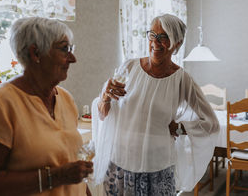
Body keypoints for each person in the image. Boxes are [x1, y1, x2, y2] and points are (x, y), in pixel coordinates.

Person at [92, 14, 220, 195]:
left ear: (177, 43)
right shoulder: (129, 67)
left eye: (164, 37)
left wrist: (182, 127)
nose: (156, 42)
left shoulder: (182, 80)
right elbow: (104, 114)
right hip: (120, 165)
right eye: (152, 35)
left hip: (158, 170)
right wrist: (105, 97)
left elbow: (211, 123)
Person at [0, 17, 93, 195]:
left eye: (71, 49)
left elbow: (75, 175)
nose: (72, 58)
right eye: (64, 49)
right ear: (35, 53)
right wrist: (56, 177)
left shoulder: (66, 99)